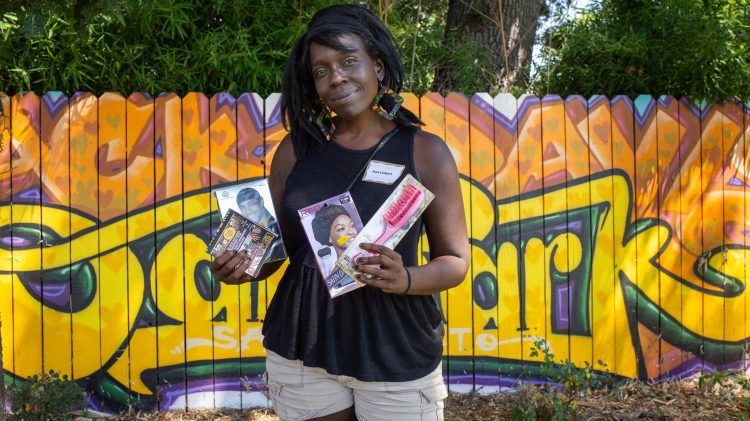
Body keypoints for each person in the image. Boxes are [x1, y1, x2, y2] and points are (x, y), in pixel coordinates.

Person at [210, 4, 469, 420]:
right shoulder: (296, 150)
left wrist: (406, 279)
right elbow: (272, 255)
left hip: (393, 350)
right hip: (303, 349)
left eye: (349, 61)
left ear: (378, 67)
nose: (336, 77)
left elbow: (455, 262)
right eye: (321, 70)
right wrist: (238, 268)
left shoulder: (425, 152)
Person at [311, 203, 359, 285]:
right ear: (329, 238)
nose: (351, 232)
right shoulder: (334, 279)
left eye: (352, 225)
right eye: (341, 229)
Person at [236, 187, 285, 261]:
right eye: (243, 207)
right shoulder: (244, 234)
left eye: (251, 204)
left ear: (261, 201)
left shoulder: (280, 227)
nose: (248, 211)